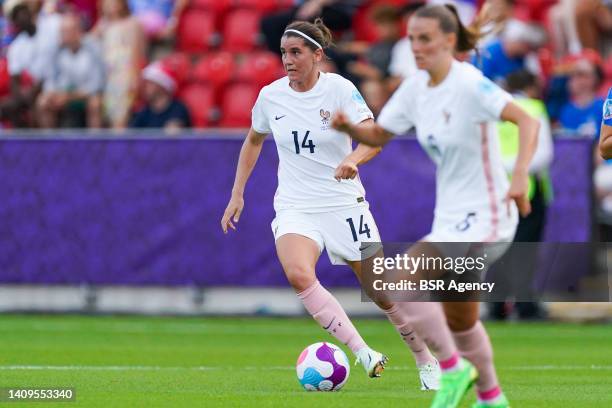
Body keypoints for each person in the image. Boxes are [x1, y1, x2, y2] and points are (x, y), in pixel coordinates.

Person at [331, 4, 538, 408]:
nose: (416, 47)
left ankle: (452, 370)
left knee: (398, 284)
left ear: (448, 41)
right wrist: (348, 130)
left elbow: (527, 121)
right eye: (411, 39)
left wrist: (518, 178)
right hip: (452, 221)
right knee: (461, 321)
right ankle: (492, 398)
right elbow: (378, 133)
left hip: (488, 216)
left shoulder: (469, 84)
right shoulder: (414, 89)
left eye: (425, 38)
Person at [221, 18, 442, 390]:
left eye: (295, 52)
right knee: (298, 273)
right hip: (296, 205)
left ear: (317, 55)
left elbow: (372, 135)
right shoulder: (271, 96)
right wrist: (237, 193)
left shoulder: (339, 89)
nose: (287, 60)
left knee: (380, 290)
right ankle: (363, 353)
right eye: (283, 53)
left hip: (344, 203)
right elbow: (254, 140)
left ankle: (425, 360)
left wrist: (353, 159)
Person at [488, 70, 553, 320]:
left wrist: (500, 169)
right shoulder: (534, 108)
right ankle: (525, 305)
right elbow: (543, 154)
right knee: (524, 251)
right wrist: (518, 170)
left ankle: (497, 305)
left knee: (497, 248)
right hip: (528, 191)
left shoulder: (492, 109)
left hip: (494, 191)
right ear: (531, 87)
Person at [37, 13, 104, 128]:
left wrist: (69, 96)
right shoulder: (55, 50)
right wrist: (55, 94)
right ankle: (50, 143)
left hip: (85, 95)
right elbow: (50, 80)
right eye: (61, 31)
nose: (62, 35)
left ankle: (95, 144)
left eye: (67, 31)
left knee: (96, 104)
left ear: (78, 32)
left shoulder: (93, 48)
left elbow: (96, 85)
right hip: (62, 93)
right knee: (43, 102)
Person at [129, 61, 191, 130]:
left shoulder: (178, 109)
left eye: (150, 83)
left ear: (162, 86)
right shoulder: (143, 111)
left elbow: (174, 135)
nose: (145, 87)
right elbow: (131, 135)